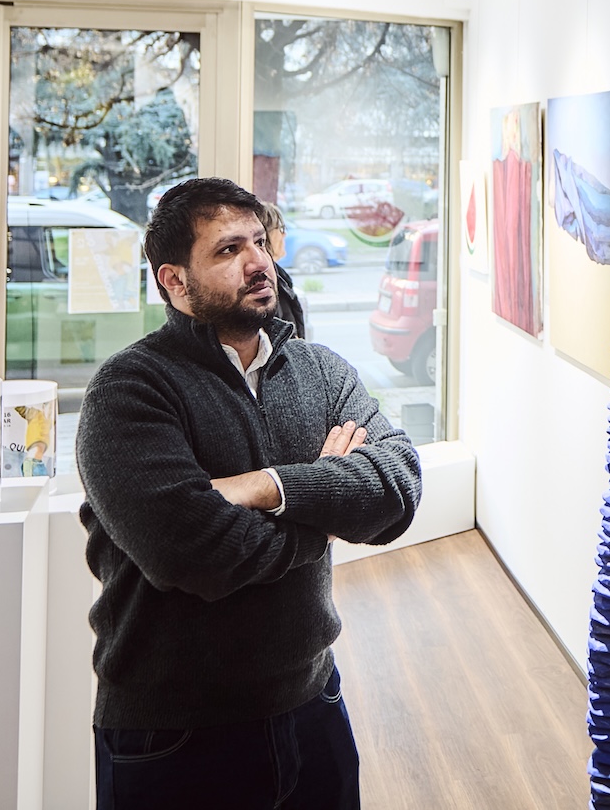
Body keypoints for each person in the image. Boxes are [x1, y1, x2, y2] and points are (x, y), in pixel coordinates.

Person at [78, 177, 421, 810]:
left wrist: (266, 487)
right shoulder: (129, 391)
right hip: (174, 733)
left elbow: (397, 488)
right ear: (175, 281)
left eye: (259, 241)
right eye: (229, 250)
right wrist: (326, 504)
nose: (259, 262)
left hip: (313, 702)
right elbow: (194, 554)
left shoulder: (321, 371)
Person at [258, 200, 309, 338]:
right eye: (280, 228)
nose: (284, 234)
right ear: (265, 234)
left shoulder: (279, 277)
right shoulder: (263, 284)